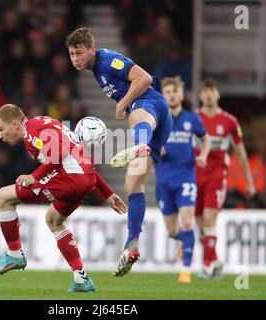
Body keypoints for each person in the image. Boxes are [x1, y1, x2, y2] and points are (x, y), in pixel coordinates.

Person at [66, 27, 173, 277]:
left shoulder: (107, 60)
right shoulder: (95, 70)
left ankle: (141, 143)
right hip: (158, 121)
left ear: (91, 50)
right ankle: (132, 244)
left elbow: (144, 78)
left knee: (137, 116)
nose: (75, 59)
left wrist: (123, 103)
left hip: (151, 104)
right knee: (132, 185)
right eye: (71, 54)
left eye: (79, 53)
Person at [0, 104, 127, 293]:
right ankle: (81, 278)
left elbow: (59, 154)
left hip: (69, 179)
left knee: (2, 198)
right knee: (53, 220)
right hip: (84, 179)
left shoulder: (32, 130)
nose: (0, 136)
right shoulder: (46, 124)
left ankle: (14, 254)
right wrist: (107, 192)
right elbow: (81, 157)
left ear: (15, 125)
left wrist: (33, 176)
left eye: (1, 129)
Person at [195, 79, 256, 279]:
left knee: (210, 218)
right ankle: (215, 261)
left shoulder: (229, 122)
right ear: (200, 95)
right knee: (200, 224)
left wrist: (249, 181)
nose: (209, 94)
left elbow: (240, 153)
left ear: (218, 94)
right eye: (205, 91)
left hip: (217, 175)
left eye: (212, 90)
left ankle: (206, 266)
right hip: (194, 176)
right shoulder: (193, 119)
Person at [155, 77, 210, 284]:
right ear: (163, 96)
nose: (171, 94)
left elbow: (206, 139)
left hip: (186, 176)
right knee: (172, 230)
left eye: (174, 91)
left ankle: (185, 270)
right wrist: (156, 148)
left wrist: (203, 155)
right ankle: (185, 241)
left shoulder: (192, 119)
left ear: (181, 95)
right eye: (167, 91)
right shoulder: (158, 119)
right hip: (164, 180)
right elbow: (146, 144)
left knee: (187, 221)